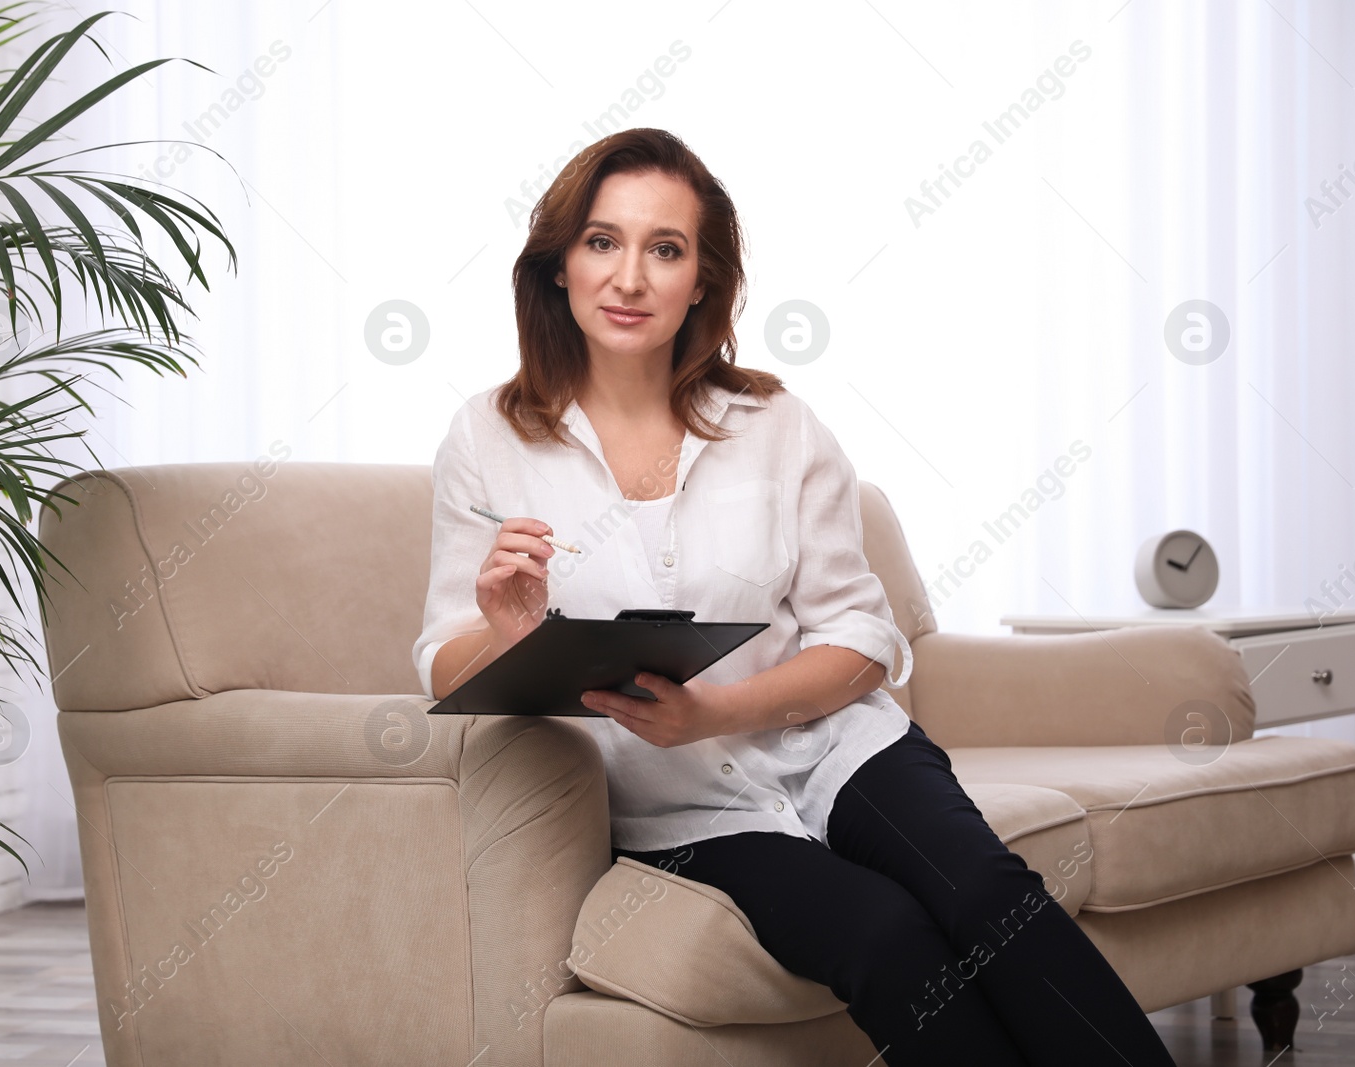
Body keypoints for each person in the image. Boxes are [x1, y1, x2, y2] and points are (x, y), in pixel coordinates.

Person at [412, 127, 1178, 1067]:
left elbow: (860, 633)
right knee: (885, 936)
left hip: (839, 749)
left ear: (702, 281)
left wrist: (715, 710)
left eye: (665, 248)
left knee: (986, 896)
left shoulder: (776, 425)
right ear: (560, 264)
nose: (629, 277)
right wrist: (512, 633)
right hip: (676, 808)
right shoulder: (488, 439)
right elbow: (445, 662)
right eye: (602, 241)